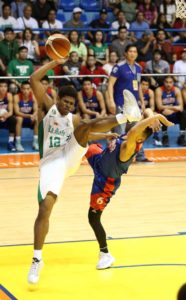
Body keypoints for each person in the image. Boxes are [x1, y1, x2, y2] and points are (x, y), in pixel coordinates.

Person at [27, 57, 140, 285]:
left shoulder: (73, 118)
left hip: (70, 156)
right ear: (57, 98)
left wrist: (106, 135)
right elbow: (33, 78)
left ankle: (126, 116)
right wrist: (55, 62)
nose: (68, 106)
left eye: (71, 103)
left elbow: (86, 134)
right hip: (51, 163)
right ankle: (37, 259)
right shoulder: (48, 108)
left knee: (84, 127)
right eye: (65, 102)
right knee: (45, 207)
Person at [86, 113, 173, 269]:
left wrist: (158, 116)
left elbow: (135, 131)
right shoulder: (130, 136)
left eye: (138, 129)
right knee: (88, 144)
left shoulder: (130, 145)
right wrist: (152, 118)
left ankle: (105, 254)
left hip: (105, 183)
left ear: (139, 138)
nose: (134, 128)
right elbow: (145, 115)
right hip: (100, 161)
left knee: (93, 218)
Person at [155, 76, 186, 146]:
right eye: (166, 82)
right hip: (164, 114)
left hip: (174, 114)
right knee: (162, 115)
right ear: (163, 82)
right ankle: (165, 137)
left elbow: (181, 107)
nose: (168, 84)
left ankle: (181, 137)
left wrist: (171, 110)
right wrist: (175, 108)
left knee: (184, 113)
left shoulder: (177, 90)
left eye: (170, 82)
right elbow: (159, 107)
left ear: (173, 83)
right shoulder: (159, 90)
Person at [14, 81, 38, 151]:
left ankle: (35, 142)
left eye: (28, 89)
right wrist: (29, 116)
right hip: (21, 118)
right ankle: (18, 143)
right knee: (19, 118)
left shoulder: (33, 97)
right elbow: (17, 112)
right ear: (21, 89)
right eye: (24, 89)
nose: (26, 91)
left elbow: (36, 110)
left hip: (30, 118)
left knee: (37, 118)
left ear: (30, 89)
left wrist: (34, 115)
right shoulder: (16, 97)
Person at [0, 79, 16, 151]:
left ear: (7, 88)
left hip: (5, 117)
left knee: (13, 119)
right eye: (1, 86)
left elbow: (11, 112)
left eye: (5, 86)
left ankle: (11, 142)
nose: (3, 88)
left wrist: (4, 116)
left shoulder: (9, 95)